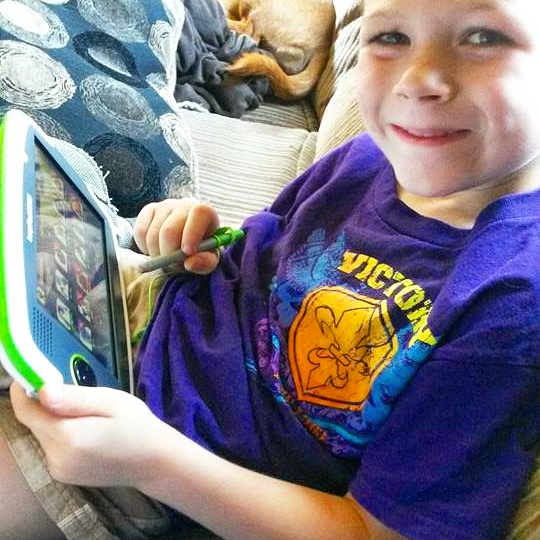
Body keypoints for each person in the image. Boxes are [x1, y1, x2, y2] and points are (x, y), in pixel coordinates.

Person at [1, 0, 539, 538]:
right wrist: (193, 235)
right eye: (391, 37)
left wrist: (151, 462)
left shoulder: (511, 305)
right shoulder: (370, 154)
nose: (416, 79)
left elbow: (377, 531)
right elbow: (260, 263)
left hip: (157, 467)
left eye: (483, 38)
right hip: (136, 306)